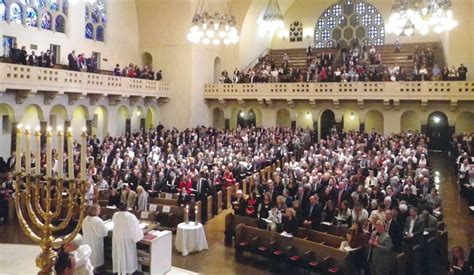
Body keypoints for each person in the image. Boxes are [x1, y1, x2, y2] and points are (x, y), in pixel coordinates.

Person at [112, 201, 144, 275]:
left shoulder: (115, 215)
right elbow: (136, 231)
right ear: (127, 207)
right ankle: (128, 271)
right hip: (127, 241)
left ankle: (119, 270)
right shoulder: (130, 216)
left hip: (118, 239)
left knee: (119, 255)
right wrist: (141, 233)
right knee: (128, 256)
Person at [82, 205, 108, 270]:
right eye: (99, 208)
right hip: (95, 242)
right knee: (95, 258)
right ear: (95, 211)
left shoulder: (86, 218)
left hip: (86, 241)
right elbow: (104, 233)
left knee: (89, 257)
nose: (100, 210)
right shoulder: (98, 220)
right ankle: (95, 270)